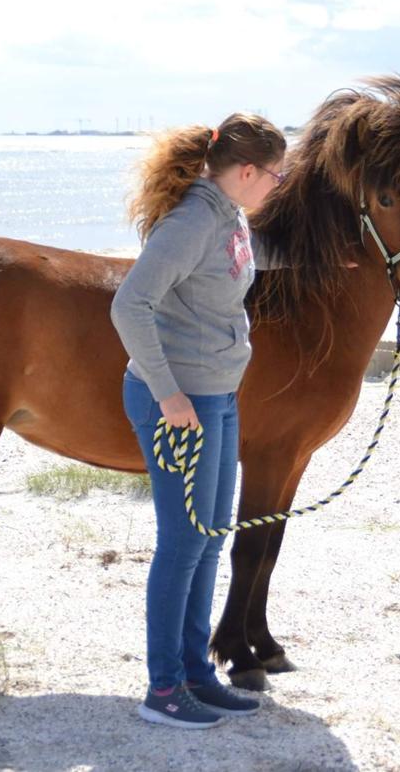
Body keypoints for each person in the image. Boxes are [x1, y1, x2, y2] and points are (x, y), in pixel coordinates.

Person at [110, 113, 286, 729]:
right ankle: (162, 689)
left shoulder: (229, 215)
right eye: (275, 174)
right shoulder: (191, 221)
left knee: (209, 543)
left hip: (219, 397)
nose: (278, 183)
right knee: (183, 545)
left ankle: (194, 674)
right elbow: (129, 304)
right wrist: (167, 394)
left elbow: (239, 262)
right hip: (185, 404)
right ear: (245, 171)